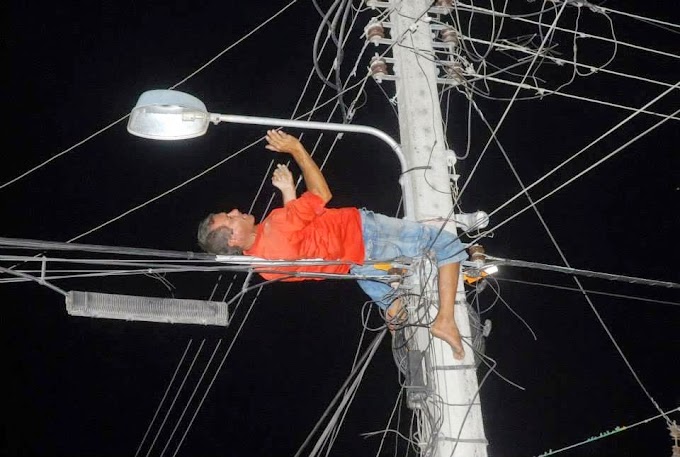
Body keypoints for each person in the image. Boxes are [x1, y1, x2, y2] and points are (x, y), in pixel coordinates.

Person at [197, 130, 468, 360]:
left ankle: (396, 316)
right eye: (230, 219)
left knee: (393, 303)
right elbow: (321, 194)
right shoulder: (275, 228)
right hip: (365, 235)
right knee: (446, 244)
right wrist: (296, 148)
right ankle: (445, 321)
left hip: (356, 266)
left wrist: (289, 192)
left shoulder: (263, 265)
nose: (234, 211)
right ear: (233, 239)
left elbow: (299, 240)